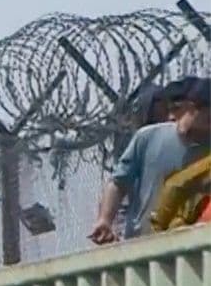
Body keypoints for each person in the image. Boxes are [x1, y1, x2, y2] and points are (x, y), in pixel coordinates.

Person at [89, 77, 211, 244]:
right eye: (209, 118)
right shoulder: (148, 138)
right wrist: (105, 220)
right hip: (142, 243)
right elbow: (118, 183)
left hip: (192, 246)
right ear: (191, 108)